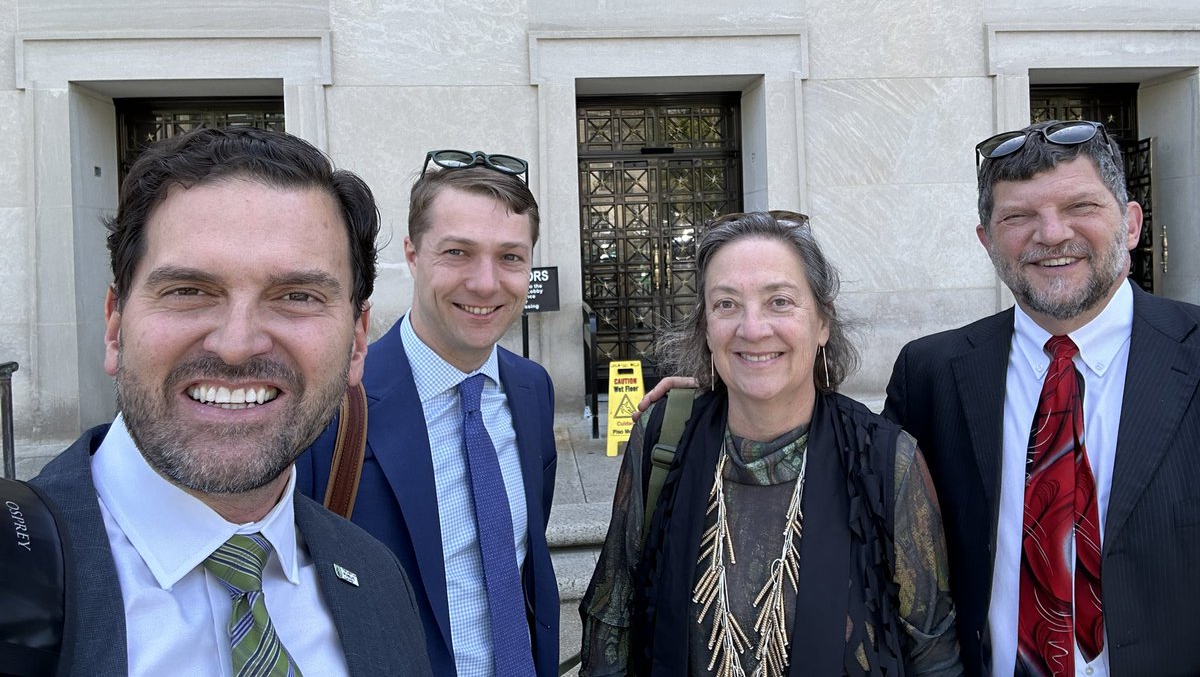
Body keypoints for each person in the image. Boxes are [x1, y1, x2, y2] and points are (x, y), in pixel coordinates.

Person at [27, 126, 432, 676]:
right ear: (115, 326)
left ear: (357, 342)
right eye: (189, 291)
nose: (237, 346)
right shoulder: (17, 572)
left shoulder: (376, 578)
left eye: (296, 296)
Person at [581, 210, 961, 676]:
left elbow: (934, 654)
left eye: (779, 301)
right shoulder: (663, 437)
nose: (753, 328)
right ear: (706, 327)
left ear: (822, 323)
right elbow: (612, 620)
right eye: (726, 304)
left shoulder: (886, 462)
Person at [885, 120, 1200, 677]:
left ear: (1130, 224)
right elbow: (868, 509)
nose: (1051, 234)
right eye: (1018, 217)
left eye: (1080, 206)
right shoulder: (930, 374)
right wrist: (728, 398)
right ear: (987, 241)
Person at [298, 150, 558, 677]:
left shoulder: (531, 390)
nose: (486, 283)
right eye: (458, 252)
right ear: (413, 255)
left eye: (510, 257)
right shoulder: (333, 402)